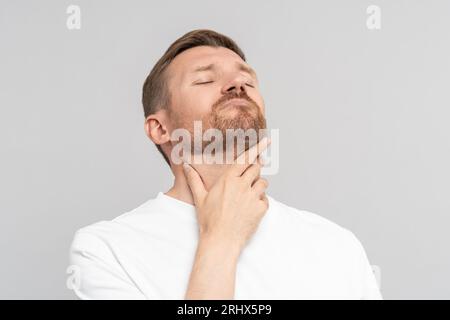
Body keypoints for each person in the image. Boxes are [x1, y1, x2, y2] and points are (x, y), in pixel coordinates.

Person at [68, 29, 382, 300]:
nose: (236, 84)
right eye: (205, 79)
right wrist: (221, 239)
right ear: (160, 129)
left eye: (247, 79)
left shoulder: (337, 246)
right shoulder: (107, 249)